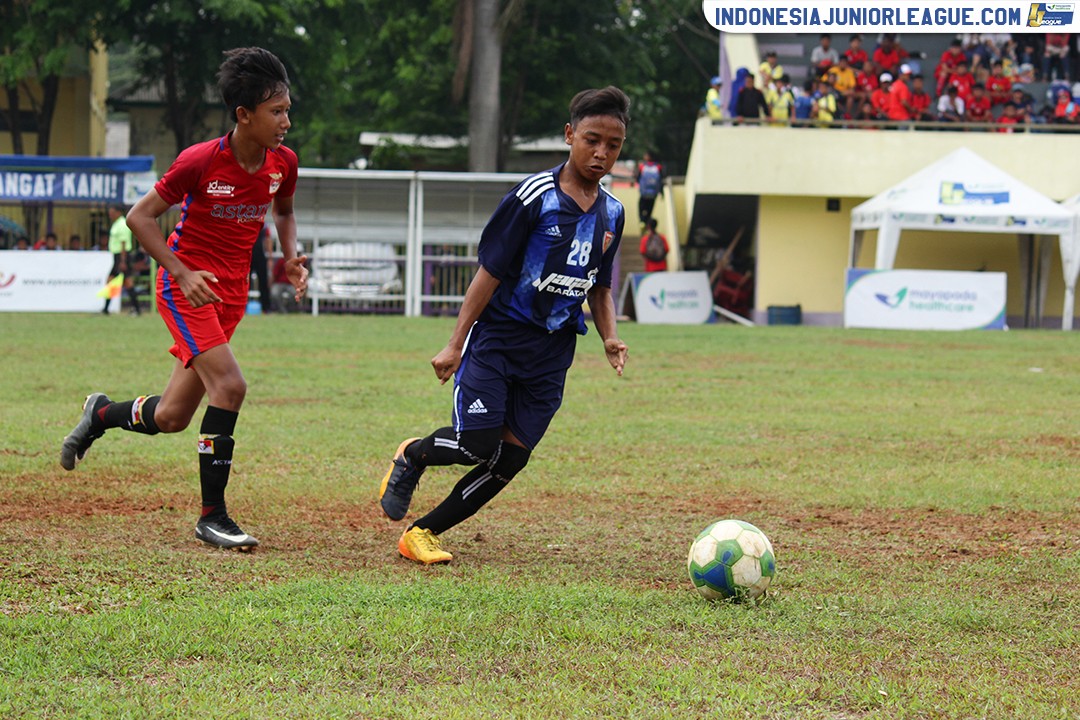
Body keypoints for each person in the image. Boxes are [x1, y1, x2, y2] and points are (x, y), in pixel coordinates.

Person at [59, 47, 308, 552]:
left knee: (172, 417)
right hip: (183, 288)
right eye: (276, 111)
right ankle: (212, 517)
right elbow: (140, 217)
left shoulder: (283, 163)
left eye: (287, 110)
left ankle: (100, 413)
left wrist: (289, 257)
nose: (286, 121)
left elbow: (283, 211)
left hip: (231, 296)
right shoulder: (200, 160)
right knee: (231, 387)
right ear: (244, 115)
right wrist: (179, 270)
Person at [377, 86, 630, 565]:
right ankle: (414, 454)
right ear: (569, 134)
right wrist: (454, 344)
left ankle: (423, 532)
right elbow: (489, 273)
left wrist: (610, 336)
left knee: (511, 457)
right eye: (591, 139)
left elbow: (599, 286)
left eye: (612, 145)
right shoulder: (534, 197)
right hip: (498, 339)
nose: (601, 153)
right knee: (476, 442)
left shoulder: (613, 212)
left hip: (553, 353)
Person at [103, 205, 136, 314]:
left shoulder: (122, 224)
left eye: (111, 212)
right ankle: (106, 309)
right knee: (122, 282)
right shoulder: (117, 223)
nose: (110, 215)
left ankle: (106, 309)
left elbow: (123, 243)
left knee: (121, 282)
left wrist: (122, 261)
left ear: (118, 212)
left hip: (121, 256)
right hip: (118, 257)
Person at [634, 151, 663, 226]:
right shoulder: (658, 167)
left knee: (641, 207)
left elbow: (638, 178)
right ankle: (647, 222)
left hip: (644, 192)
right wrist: (661, 192)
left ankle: (642, 221)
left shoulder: (642, 166)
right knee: (650, 209)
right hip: (653, 193)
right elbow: (661, 180)